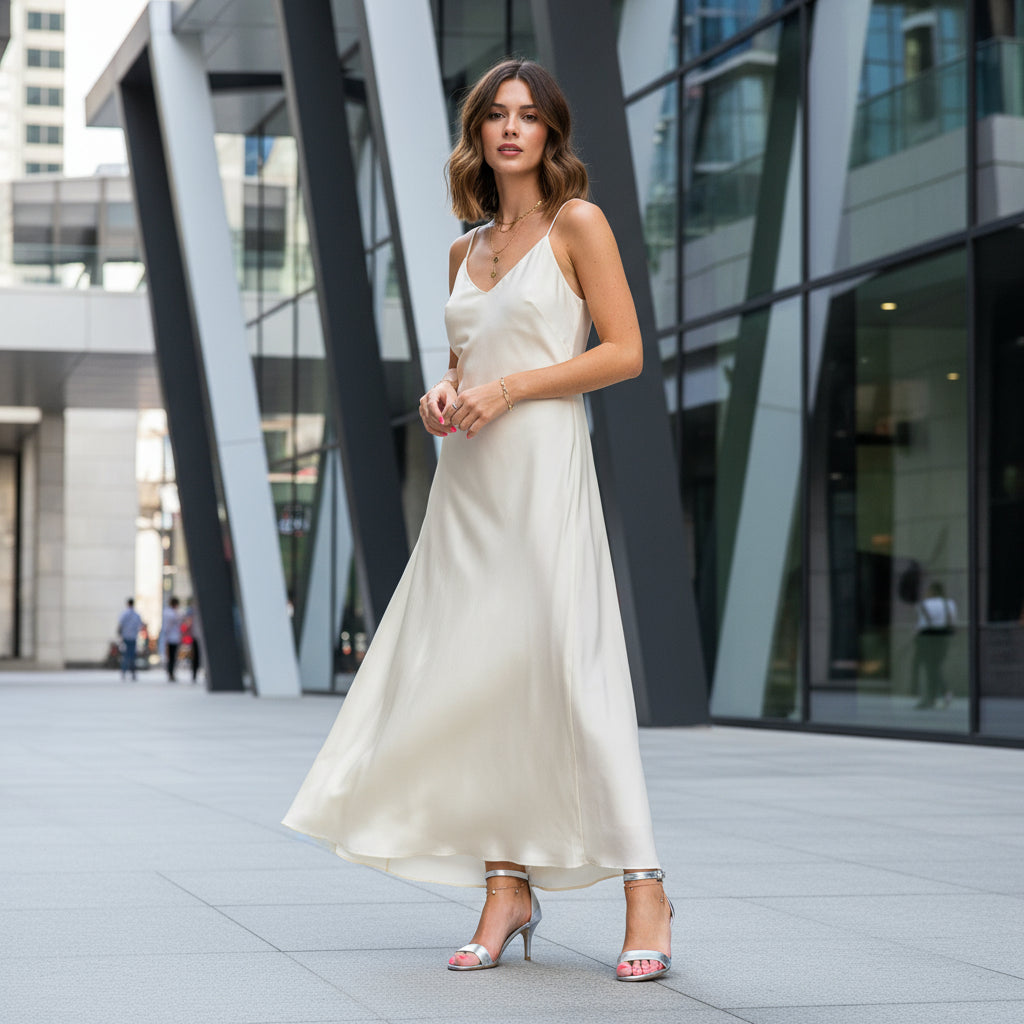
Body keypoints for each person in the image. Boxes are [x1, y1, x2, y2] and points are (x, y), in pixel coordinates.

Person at [283, 58, 672, 982]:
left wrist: (507, 389)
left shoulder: (578, 224)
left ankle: (645, 888)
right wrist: (443, 395)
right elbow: (465, 363)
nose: (509, 130)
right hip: (470, 487)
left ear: (550, 133)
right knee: (479, 676)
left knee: (571, 672)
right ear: (478, 132)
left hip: (543, 473)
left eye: (527, 116)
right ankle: (505, 886)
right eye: (495, 115)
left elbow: (623, 353)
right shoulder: (465, 250)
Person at [914, 581, 957, 709]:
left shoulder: (922, 604)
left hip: (926, 639)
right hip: (943, 639)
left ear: (931, 591)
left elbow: (920, 624)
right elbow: (952, 622)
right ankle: (938, 695)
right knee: (934, 667)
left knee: (930, 669)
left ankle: (937, 695)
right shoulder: (949, 604)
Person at [116, 597, 143, 680]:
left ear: (128, 604)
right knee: (132, 655)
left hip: (126, 636)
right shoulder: (136, 614)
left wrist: (119, 634)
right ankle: (133, 673)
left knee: (125, 655)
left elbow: (120, 625)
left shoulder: (124, 614)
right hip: (133, 637)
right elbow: (140, 625)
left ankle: (124, 672)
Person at [161, 596, 183, 683]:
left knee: (171, 657)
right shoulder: (171, 613)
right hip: (171, 638)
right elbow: (168, 626)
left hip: (171, 637)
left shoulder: (170, 612)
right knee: (171, 657)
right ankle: (170, 673)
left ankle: (171, 672)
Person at [184, 598, 203, 684]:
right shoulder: (192, 611)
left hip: (196, 636)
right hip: (196, 636)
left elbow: (188, 624)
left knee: (196, 656)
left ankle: (195, 674)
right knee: (196, 656)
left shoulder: (192, 611)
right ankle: (195, 674)